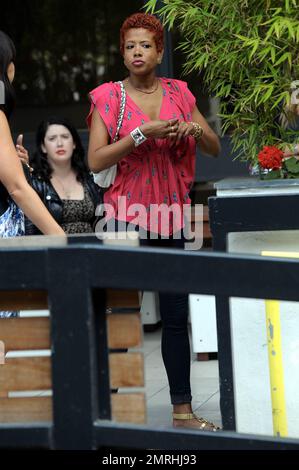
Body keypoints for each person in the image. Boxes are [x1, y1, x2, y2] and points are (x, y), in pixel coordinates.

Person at [87, 13, 221, 430]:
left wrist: (192, 132)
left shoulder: (179, 93)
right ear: (122, 52)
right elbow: (94, 159)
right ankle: (106, 414)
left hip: (172, 215)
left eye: (145, 45)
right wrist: (140, 135)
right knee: (120, 317)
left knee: (176, 316)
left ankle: (182, 411)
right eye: (130, 46)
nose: (137, 52)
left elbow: (214, 146)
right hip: (125, 220)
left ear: (160, 52)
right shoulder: (108, 97)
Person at [22, 117, 102, 235]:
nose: (59, 143)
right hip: (54, 251)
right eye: (52, 139)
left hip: (91, 249)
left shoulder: (91, 180)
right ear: (43, 147)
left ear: (74, 143)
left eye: (65, 137)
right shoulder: (36, 184)